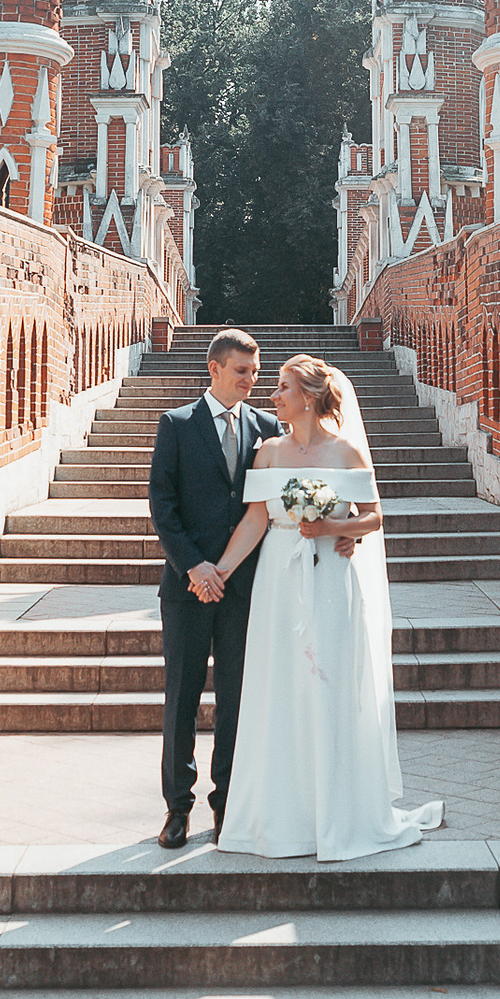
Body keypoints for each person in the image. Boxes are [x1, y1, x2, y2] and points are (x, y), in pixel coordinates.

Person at [210, 354, 443, 862]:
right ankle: (283, 817)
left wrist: (333, 527)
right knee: (280, 686)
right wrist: (220, 571)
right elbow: (254, 521)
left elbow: (373, 518)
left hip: (332, 578)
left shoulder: (345, 452)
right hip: (279, 578)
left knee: (329, 684)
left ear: (310, 396)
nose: (273, 396)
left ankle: (337, 814)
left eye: (283, 387)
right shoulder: (268, 453)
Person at [146, 327, 280, 850]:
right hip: (187, 589)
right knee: (181, 699)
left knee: (236, 700)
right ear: (215, 369)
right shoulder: (177, 424)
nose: (252, 380)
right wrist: (194, 568)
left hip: (243, 588)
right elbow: (163, 506)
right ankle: (177, 807)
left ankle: (227, 804)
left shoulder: (267, 428)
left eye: (256, 371)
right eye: (243, 371)